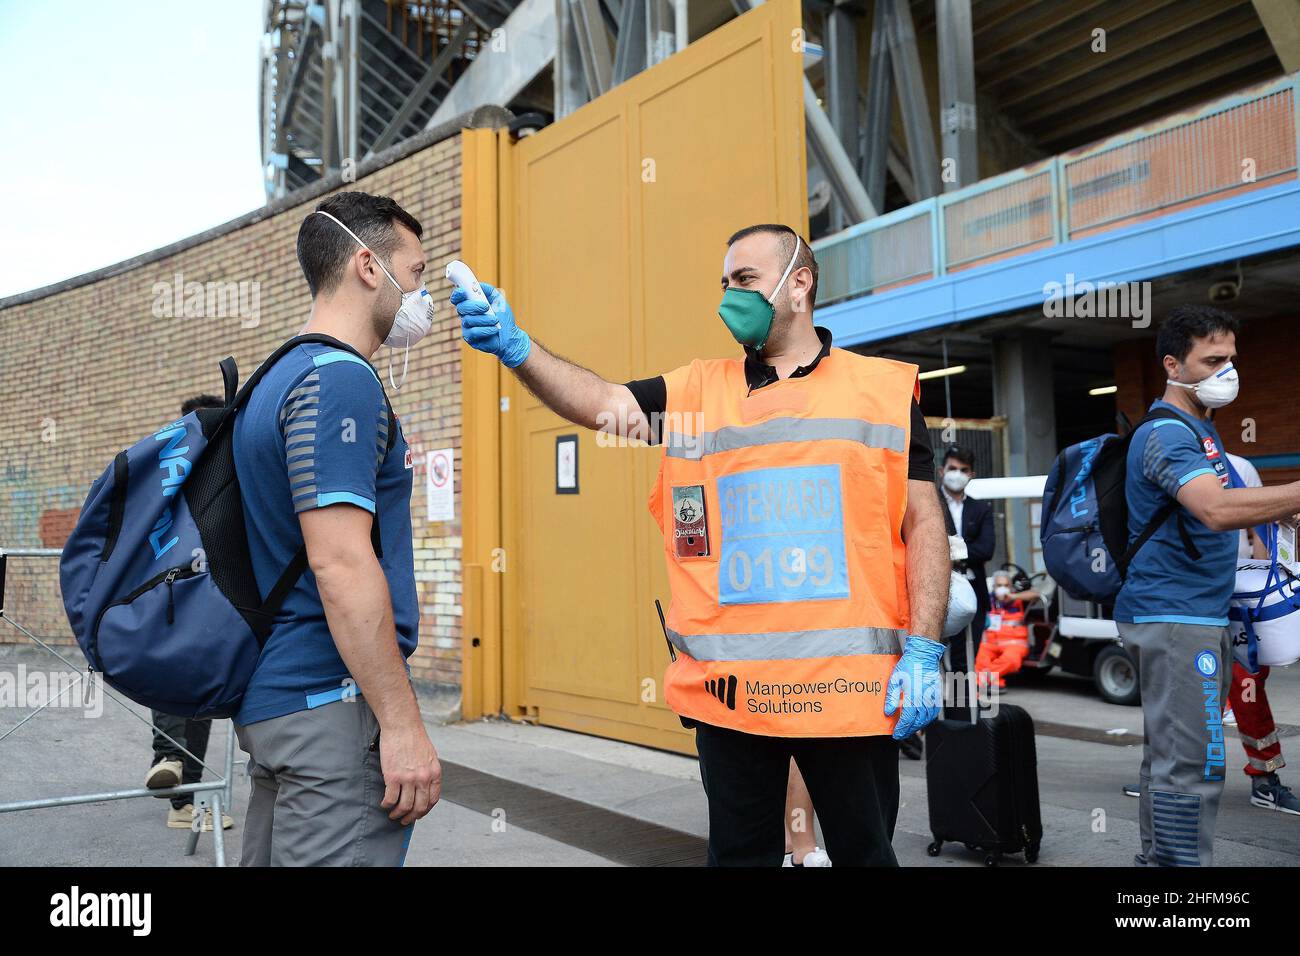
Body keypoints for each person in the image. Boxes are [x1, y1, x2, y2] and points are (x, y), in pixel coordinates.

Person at [453, 223, 951, 866]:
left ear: (799, 283)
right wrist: (518, 350)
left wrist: (925, 649)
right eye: (723, 283)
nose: (729, 297)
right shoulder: (695, 395)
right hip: (732, 699)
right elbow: (602, 402)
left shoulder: (879, 391)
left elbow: (924, 522)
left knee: (864, 857)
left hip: (850, 697)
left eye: (745, 280)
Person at [231, 191, 441, 866]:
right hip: (329, 705)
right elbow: (341, 564)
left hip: (276, 705)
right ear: (367, 267)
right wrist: (402, 724)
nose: (423, 294)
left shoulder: (276, 376)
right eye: (415, 272)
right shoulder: (341, 380)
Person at [1115, 304, 1300, 866]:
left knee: (1172, 756)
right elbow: (1216, 510)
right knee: (1192, 763)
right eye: (1213, 360)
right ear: (1173, 364)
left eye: (1231, 359)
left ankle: (1160, 873)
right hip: (1175, 619)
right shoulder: (1168, 435)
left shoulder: (1201, 431)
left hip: (1196, 615)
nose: (1228, 372)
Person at [144, 393, 235, 832]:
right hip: (178, 595)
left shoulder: (217, 472)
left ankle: (181, 789)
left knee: (193, 691)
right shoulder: (170, 474)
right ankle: (171, 765)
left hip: (201, 599)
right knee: (178, 681)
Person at [1224, 452, 1300, 815]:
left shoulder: (1237, 467)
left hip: (1234, 595)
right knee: (1177, 690)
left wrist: (1259, 596)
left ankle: (1264, 778)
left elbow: (1260, 535)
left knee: (1247, 685)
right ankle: (1163, 779)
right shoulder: (1161, 456)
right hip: (1184, 597)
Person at [939, 445, 994, 715]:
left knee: (965, 657)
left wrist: (953, 551)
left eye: (963, 470)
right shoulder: (930, 505)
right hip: (936, 588)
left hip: (972, 591)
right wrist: (963, 550)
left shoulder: (981, 508)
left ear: (971, 474)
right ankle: (925, 723)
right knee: (934, 656)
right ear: (941, 471)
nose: (956, 474)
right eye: (952, 469)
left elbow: (987, 549)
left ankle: (960, 718)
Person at [974, 570, 1039, 692]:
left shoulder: (1019, 600)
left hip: (1014, 644)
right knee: (980, 657)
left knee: (1012, 660)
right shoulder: (987, 600)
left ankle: (980, 681)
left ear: (1011, 587)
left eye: (1006, 585)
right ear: (993, 587)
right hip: (990, 643)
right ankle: (997, 683)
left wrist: (1013, 596)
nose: (1002, 588)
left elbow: (1035, 595)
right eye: (999, 585)